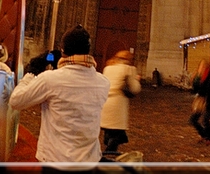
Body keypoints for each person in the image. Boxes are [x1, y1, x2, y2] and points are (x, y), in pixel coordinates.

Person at [8, 26, 110, 163]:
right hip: (88, 160)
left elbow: (16, 100)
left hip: (56, 158)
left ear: (63, 51)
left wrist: (31, 73)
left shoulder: (50, 79)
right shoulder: (103, 82)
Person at [99, 49, 141, 157]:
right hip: (118, 103)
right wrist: (137, 80)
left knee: (109, 131)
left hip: (106, 101)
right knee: (117, 133)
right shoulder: (129, 69)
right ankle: (108, 155)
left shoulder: (107, 68)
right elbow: (135, 88)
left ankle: (107, 153)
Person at [189, 59, 210, 145]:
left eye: (203, 66)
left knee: (205, 120)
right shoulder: (199, 77)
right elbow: (194, 90)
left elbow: (209, 90)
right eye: (200, 66)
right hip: (201, 101)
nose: (201, 68)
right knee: (193, 120)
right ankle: (204, 135)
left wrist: (200, 85)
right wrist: (193, 81)